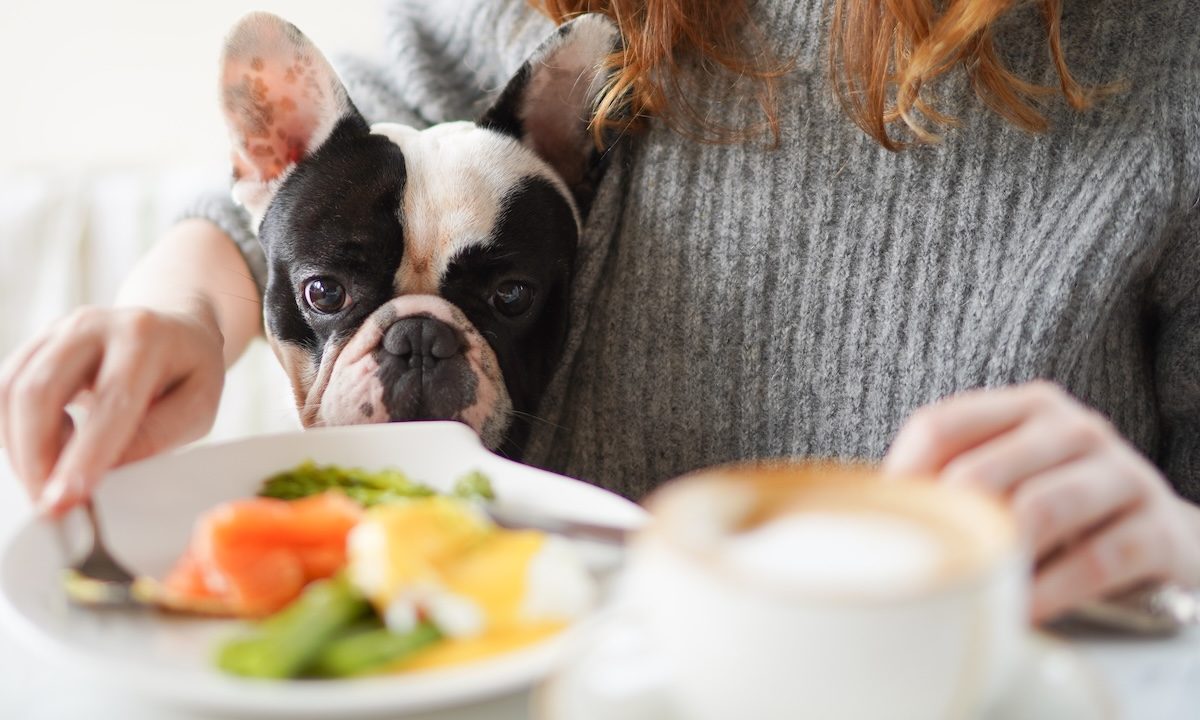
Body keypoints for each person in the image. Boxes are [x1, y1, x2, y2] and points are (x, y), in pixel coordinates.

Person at [1, 0, 1197, 623]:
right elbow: (325, 165)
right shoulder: (580, 10)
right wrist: (178, 311)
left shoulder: (1166, 66)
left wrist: (1173, 550)